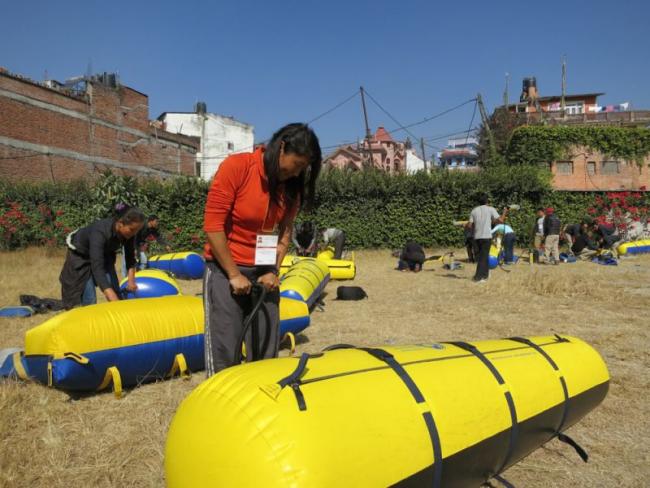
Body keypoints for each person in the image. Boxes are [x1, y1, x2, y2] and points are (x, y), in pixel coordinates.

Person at [202, 123, 321, 376]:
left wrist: (272, 271)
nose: (298, 172)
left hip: (263, 272)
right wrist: (234, 274)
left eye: (304, 168)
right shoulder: (238, 167)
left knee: (265, 351)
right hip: (225, 270)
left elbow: (285, 232)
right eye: (297, 164)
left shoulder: (290, 187)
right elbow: (213, 226)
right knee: (226, 351)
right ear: (281, 148)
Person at [59, 206, 145, 309]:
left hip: (104, 255)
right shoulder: (99, 232)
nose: (134, 233)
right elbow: (97, 267)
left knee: (115, 291)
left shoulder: (129, 234)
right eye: (132, 229)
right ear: (120, 223)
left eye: (137, 231)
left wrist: (131, 281)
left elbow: (130, 258)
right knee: (90, 298)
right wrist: (110, 295)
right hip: (81, 257)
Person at [466, 193, 507, 283]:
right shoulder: (490, 209)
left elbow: (469, 225)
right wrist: (505, 212)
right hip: (486, 236)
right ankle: (478, 277)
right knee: (483, 257)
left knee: (481, 257)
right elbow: (500, 220)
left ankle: (485, 275)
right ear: (487, 201)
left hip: (476, 237)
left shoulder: (474, 210)